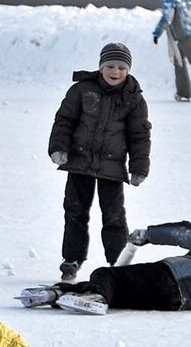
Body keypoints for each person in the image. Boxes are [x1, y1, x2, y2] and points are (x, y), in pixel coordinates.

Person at [48, 41, 152, 283]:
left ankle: (116, 261)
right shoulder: (83, 90)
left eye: (121, 67)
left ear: (128, 70)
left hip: (112, 168)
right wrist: (58, 148)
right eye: (110, 66)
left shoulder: (133, 98)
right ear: (101, 67)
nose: (115, 72)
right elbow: (64, 120)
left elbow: (140, 136)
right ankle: (72, 258)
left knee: (114, 216)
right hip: (79, 163)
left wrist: (139, 168)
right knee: (75, 210)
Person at [19, 221, 191, 313]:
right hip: (174, 302)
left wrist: (149, 234)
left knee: (106, 275)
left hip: (168, 278)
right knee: (115, 289)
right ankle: (58, 294)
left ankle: (94, 297)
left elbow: (186, 234)